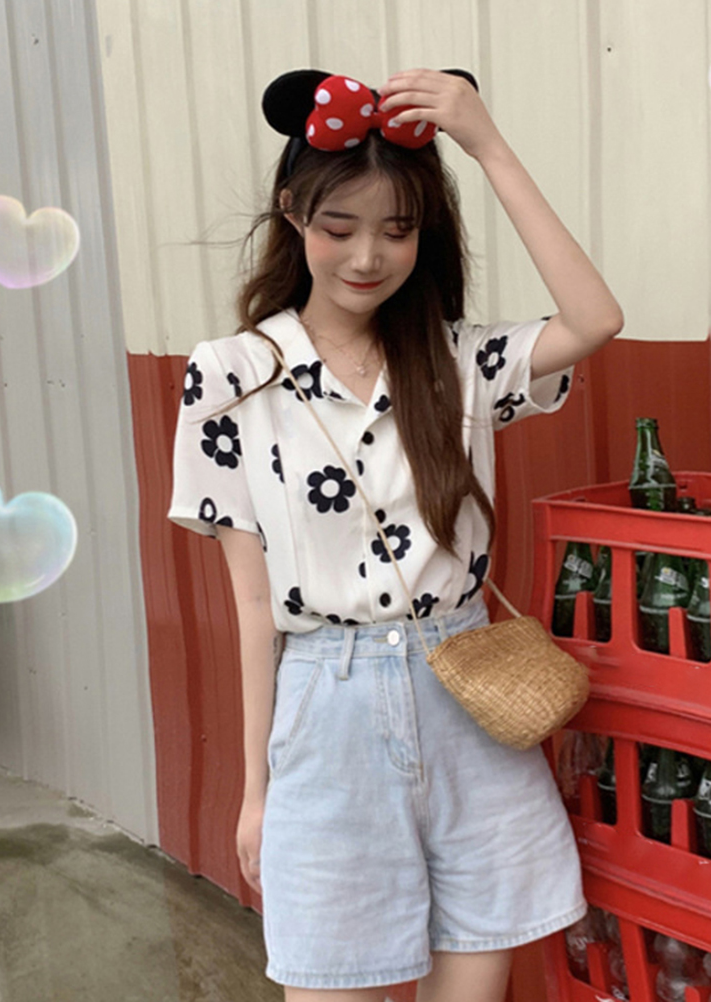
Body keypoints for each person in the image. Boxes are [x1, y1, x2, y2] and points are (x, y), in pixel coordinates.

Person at [168, 67, 623, 1002]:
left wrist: (487, 146)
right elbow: (253, 606)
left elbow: (595, 318)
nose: (368, 256)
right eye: (339, 228)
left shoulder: (458, 360)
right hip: (325, 710)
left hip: (468, 696)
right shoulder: (231, 374)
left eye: (398, 230)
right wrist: (256, 791)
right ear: (293, 214)